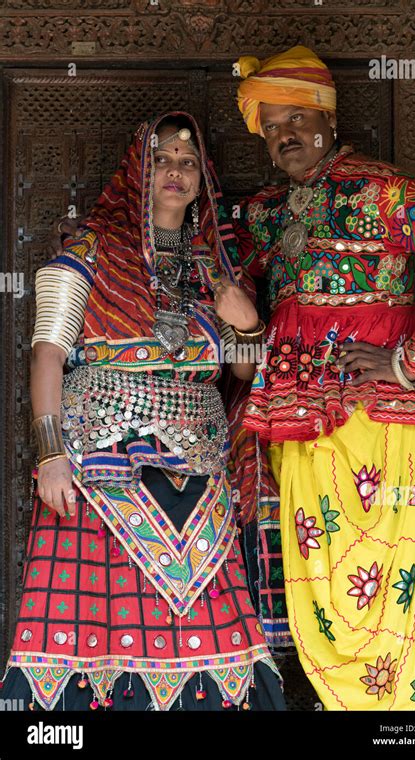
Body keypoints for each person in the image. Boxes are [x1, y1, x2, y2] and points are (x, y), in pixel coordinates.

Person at [0, 111, 285, 712]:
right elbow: (48, 351)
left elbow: (240, 372)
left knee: (208, 630)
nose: (176, 173)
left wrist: (251, 324)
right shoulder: (91, 248)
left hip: (199, 476)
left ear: (202, 177)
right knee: (93, 628)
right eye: (161, 161)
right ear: (138, 170)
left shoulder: (221, 263)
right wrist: (50, 454)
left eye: (187, 163)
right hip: (100, 473)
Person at [231, 45, 415, 710]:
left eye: (298, 119)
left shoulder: (384, 190)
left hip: (380, 409)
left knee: (375, 568)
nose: (286, 135)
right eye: (272, 124)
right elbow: (216, 277)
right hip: (292, 408)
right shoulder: (264, 212)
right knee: (311, 572)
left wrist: (411, 363)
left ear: (329, 120)